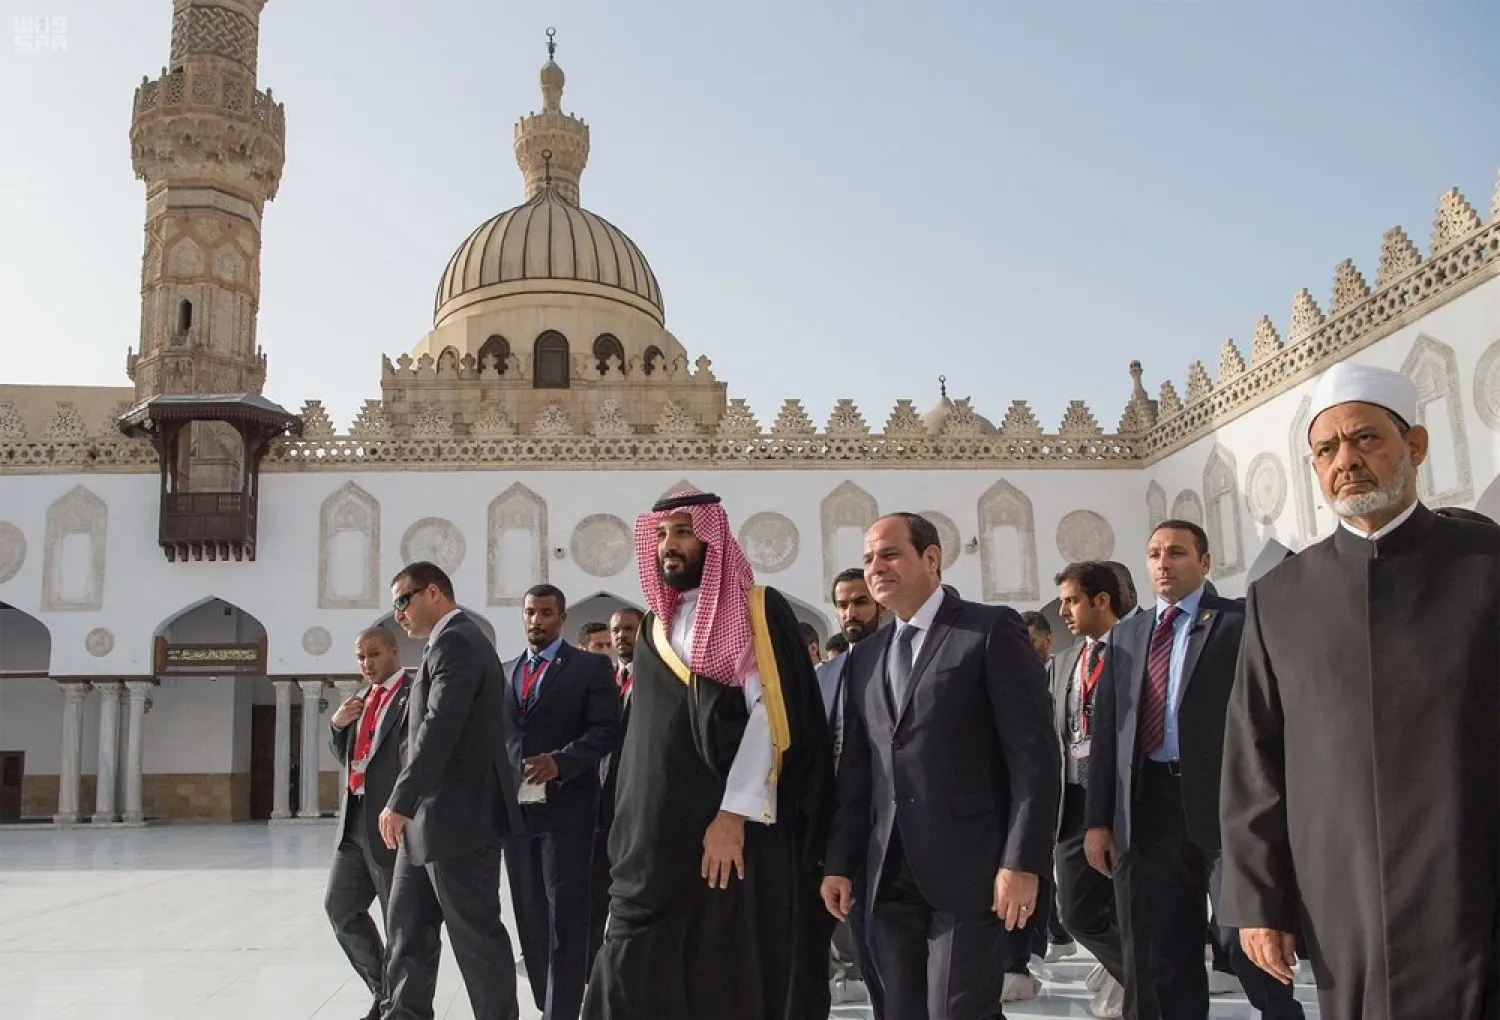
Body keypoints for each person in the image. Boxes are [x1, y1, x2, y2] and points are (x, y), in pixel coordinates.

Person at [1220, 361, 1500, 1020]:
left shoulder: (1486, 569)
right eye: (1327, 449)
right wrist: (1260, 902)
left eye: (1366, 438)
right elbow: (1252, 761)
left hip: (1474, 880)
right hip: (1338, 892)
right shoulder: (1279, 598)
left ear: (1417, 446)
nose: (1347, 460)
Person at [582, 488, 834, 1020]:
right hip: (656, 843)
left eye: (682, 531)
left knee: (723, 972)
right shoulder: (653, 625)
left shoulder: (757, 610)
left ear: (711, 536)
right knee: (630, 966)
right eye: (661, 535)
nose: (669, 545)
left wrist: (731, 816)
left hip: (727, 837)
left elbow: (772, 717)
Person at [822, 512, 1061, 1019]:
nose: (876, 568)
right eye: (868, 559)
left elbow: (1034, 757)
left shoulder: (986, 630)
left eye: (890, 554)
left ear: (931, 558)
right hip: (889, 872)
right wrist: (840, 862)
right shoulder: (867, 656)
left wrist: (1022, 862)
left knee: (957, 1009)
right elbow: (858, 773)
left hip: (971, 870)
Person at [1085, 522, 1304, 1020]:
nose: (1164, 563)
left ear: (1204, 563)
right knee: (1158, 950)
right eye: (1155, 553)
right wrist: (1099, 820)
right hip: (1149, 810)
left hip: (1229, 808)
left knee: (1248, 940)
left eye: (1177, 553)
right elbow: (1108, 737)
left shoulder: (1240, 623)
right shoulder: (1126, 636)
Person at [379, 561, 525, 1020]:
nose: (398, 613)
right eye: (395, 605)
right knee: (407, 929)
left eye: (404, 599)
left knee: (474, 935)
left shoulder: (459, 642)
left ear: (436, 592)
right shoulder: (442, 645)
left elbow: (440, 727)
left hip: (460, 819)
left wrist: (399, 799)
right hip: (427, 822)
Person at [503, 584, 622, 1020]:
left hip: (568, 811)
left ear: (562, 616)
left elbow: (607, 730)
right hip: (516, 814)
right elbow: (497, 737)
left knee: (565, 920)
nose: (537, 620)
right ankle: (545, 1002)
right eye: (530, 612)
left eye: (546, 613)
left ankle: (563, 1011)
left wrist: (561, 761)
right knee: (530, 915)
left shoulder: (589, 668)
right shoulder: (506, 671)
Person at [1049, 562, 1126, 1019]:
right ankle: (1146, 977)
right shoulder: (1063, 662)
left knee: (1131, 907)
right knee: (1076, 913)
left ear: (1102, 600)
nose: (1063, 612)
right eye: (1060, 602)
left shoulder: (1136, 649)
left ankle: (1148, 990)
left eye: (1072, 600)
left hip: (1124, 799)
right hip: (1073, 801)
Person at [325, 626, 412, 1020]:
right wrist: (337, 726)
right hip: (353, 822)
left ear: (394, 650)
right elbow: (348, 756)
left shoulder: (413, 694)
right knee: (340, 907)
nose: (367, 664)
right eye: (361, 657)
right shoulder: (360, 699)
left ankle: (396, 1003)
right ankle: (382, 991)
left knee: (399, 923)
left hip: (389, 822)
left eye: (374, 654)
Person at [817, 567, 886, 1018]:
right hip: (846, 826)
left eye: (859, 602)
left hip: (900, 822)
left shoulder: (896, 661)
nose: (850, 612)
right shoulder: (827, 674)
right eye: (842, 604)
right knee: (867, 943)